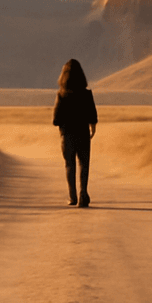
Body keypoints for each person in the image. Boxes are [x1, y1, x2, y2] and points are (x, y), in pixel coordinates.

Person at [52, 58, 98, 207]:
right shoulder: (86, 94)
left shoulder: (61, 95)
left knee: (69, 164)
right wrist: (92, 128)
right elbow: (92, 115)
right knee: (84, 164)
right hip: (83, 133)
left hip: (67, 135)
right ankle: (83, 194)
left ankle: (72, 197)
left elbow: (55, 120)